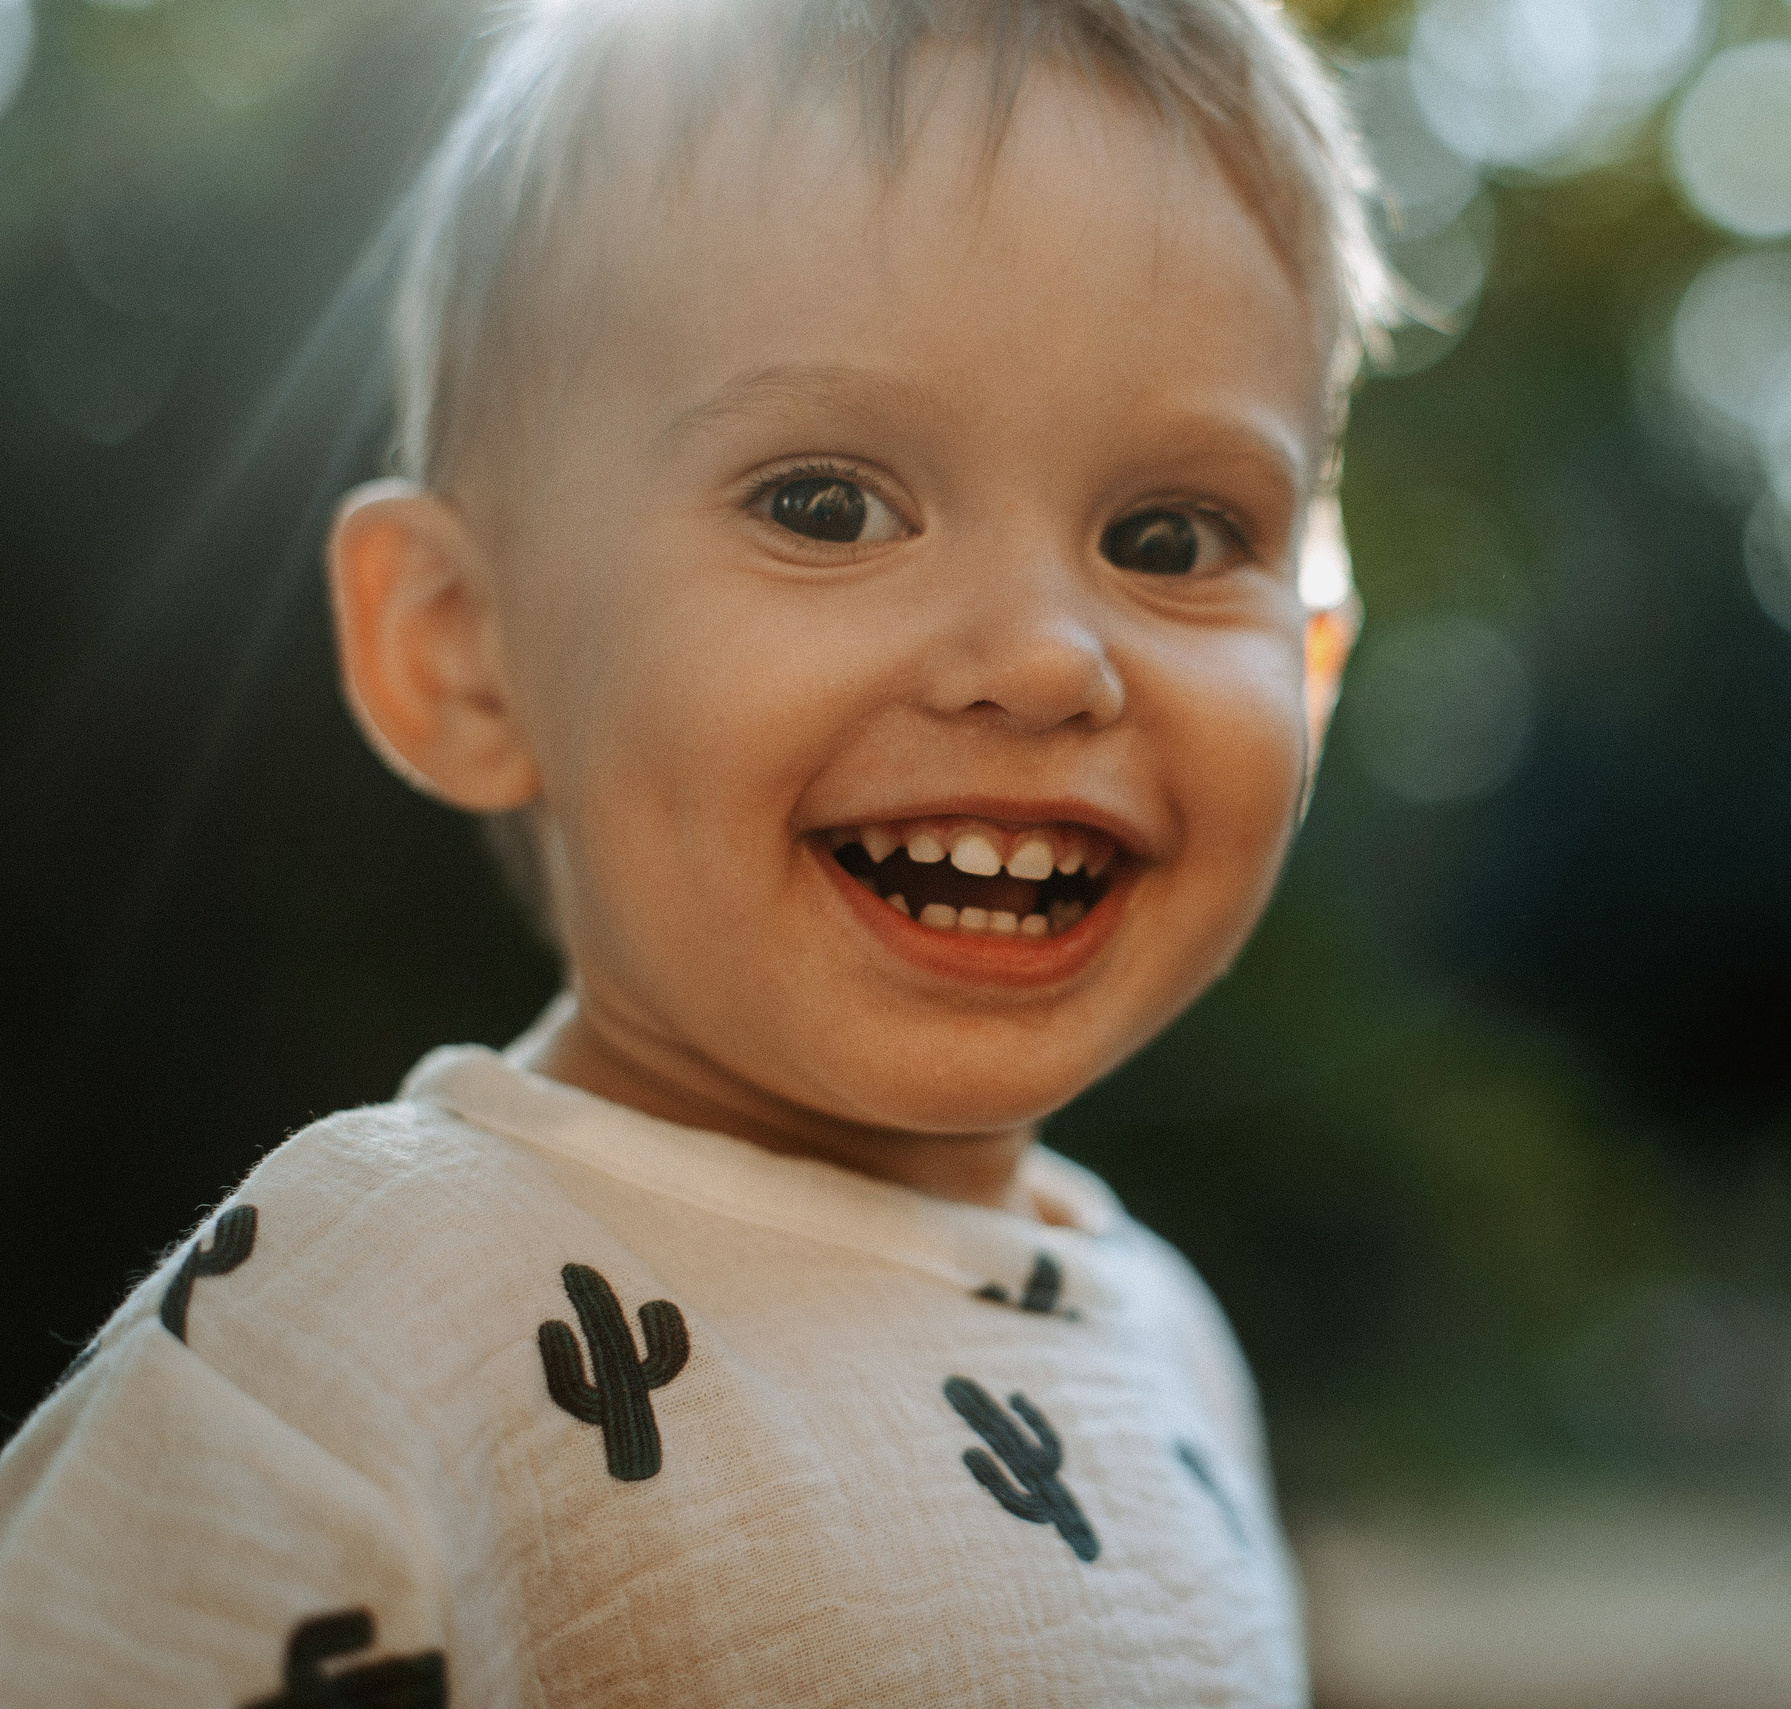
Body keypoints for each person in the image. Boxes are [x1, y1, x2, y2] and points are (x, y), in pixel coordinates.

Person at [0, 0, 1388, 1700]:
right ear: (464, 647)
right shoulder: (370, 1312)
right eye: (826, 502)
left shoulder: (1168, 1341)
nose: (1044, 656)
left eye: (1171, 535)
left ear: (1312, 662)